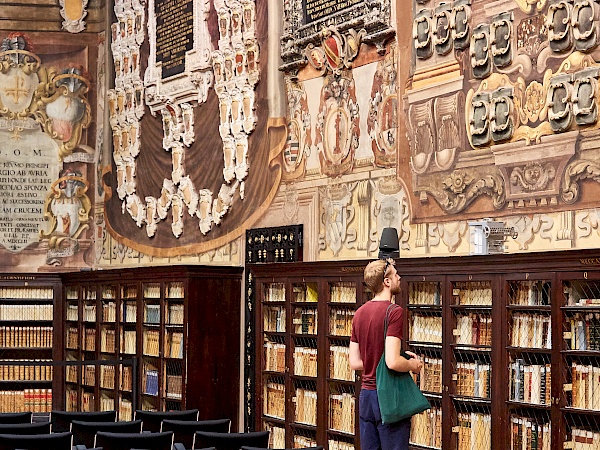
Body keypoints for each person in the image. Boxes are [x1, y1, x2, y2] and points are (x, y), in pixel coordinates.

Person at [349, 258, 423, 450]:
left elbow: (355, 362)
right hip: (388, 396)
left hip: (366, 396)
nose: (399, 277)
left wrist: (378, 358)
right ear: (386, 282)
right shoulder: (394, 312)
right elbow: (392, 362)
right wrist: (413, 365)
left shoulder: (359, 313)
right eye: (395, 274)